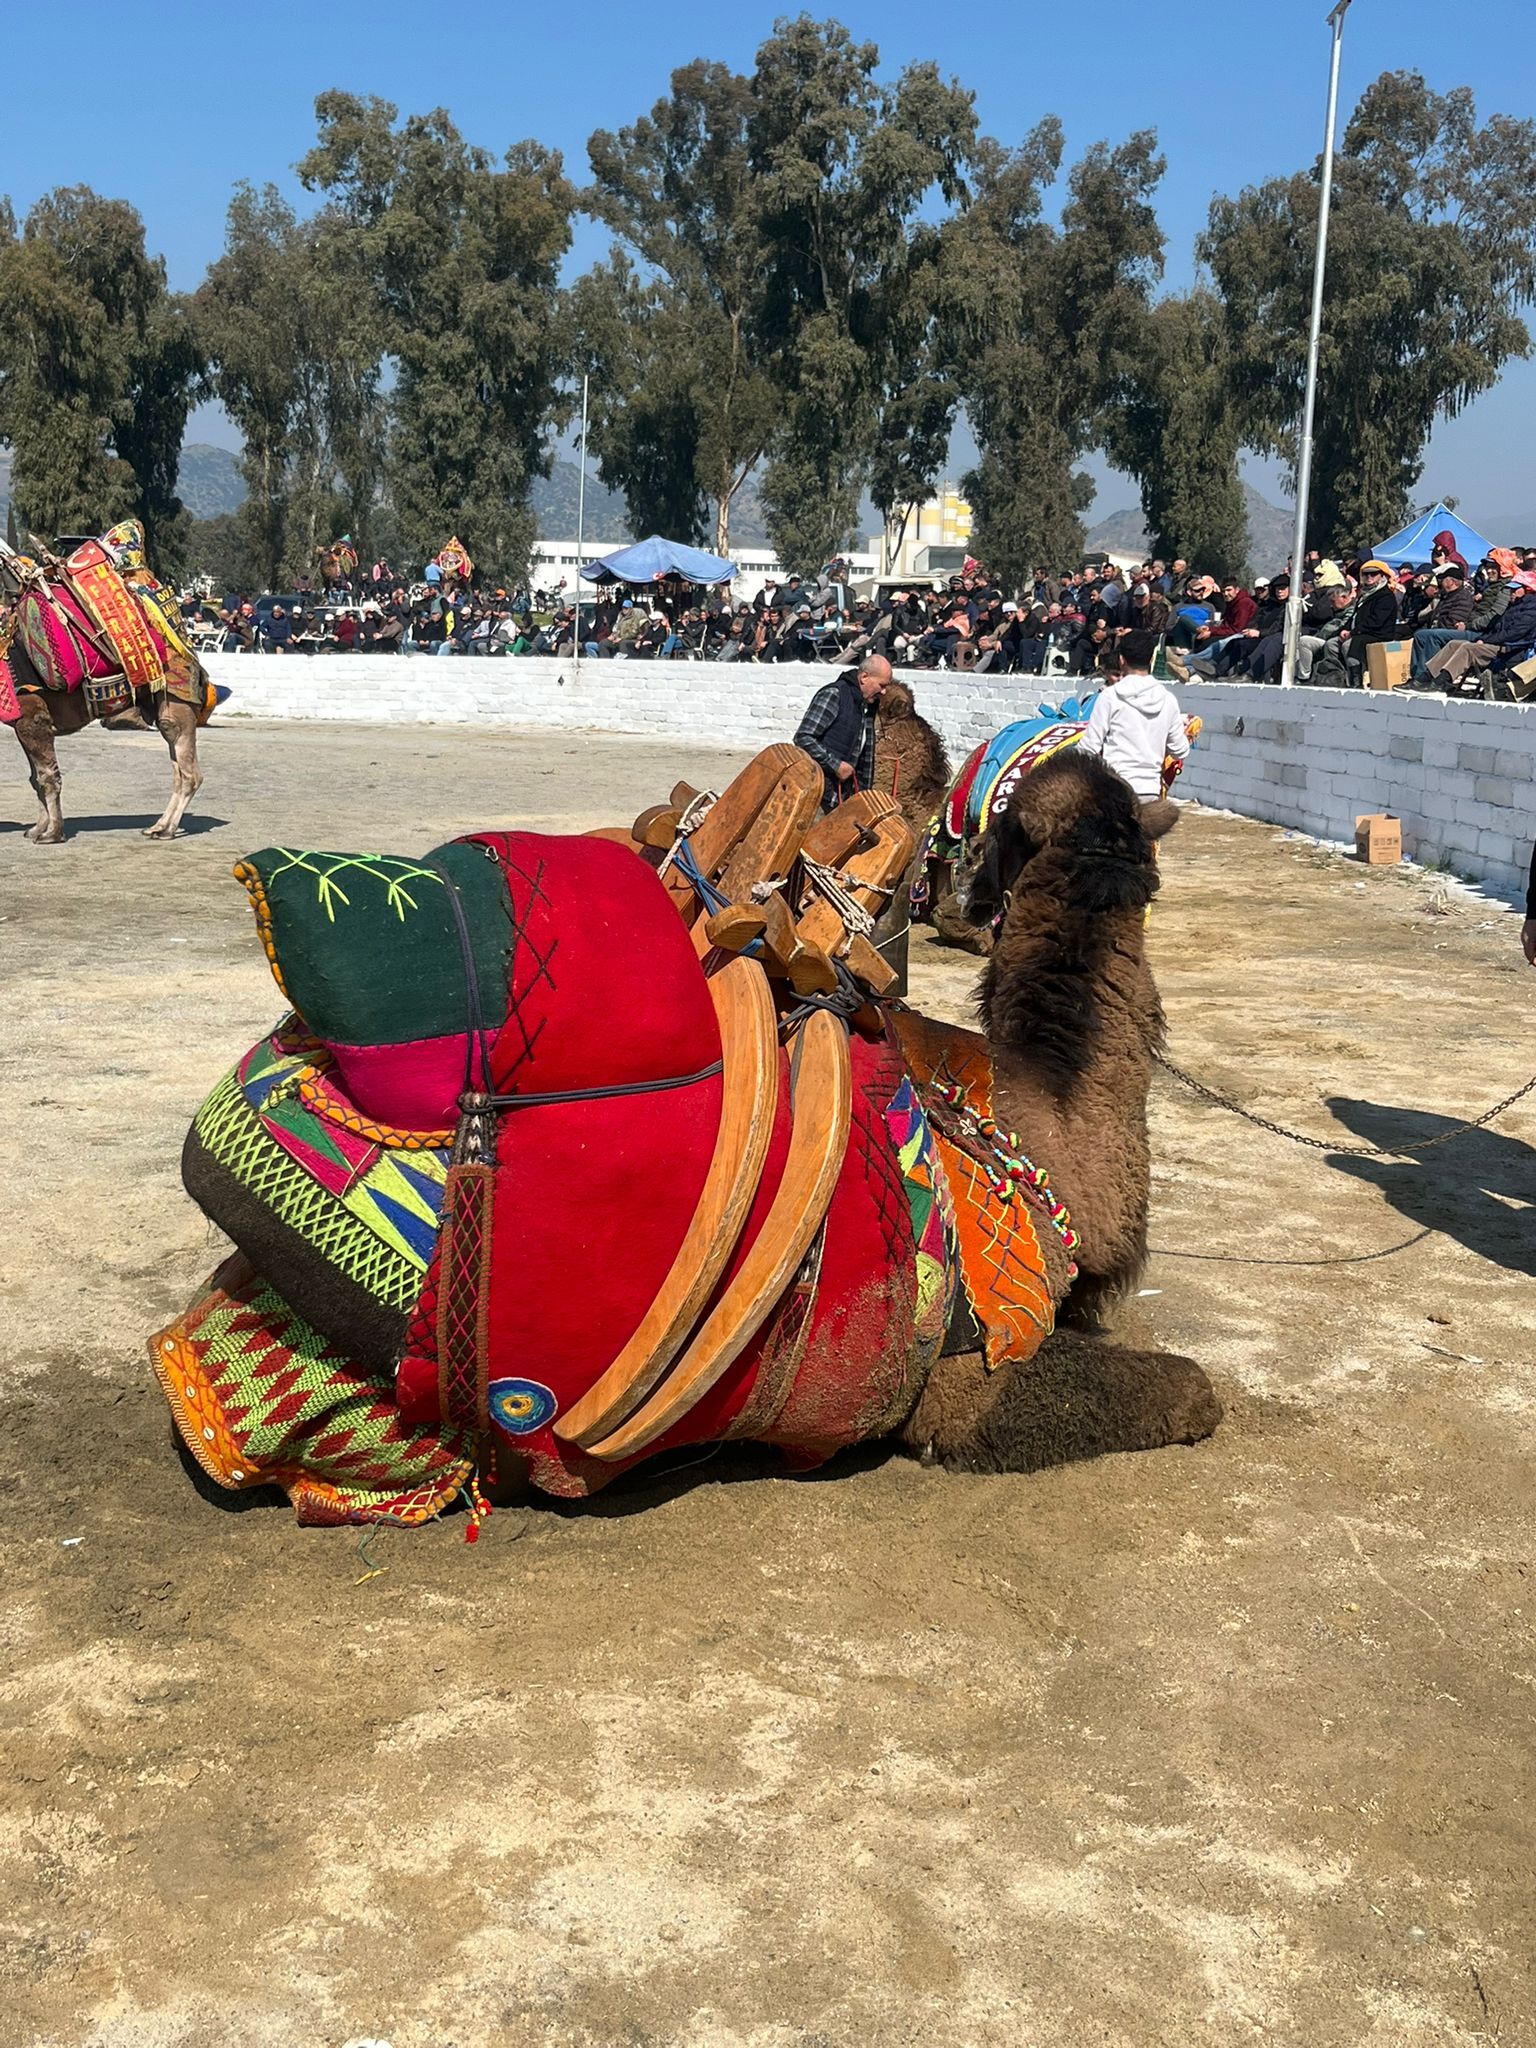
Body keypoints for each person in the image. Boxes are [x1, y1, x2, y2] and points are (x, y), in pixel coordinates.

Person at [1077, 630, 1188, 803]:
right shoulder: (1168, 700)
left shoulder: (1109, 696)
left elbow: (1088, 748)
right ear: (1151, 659)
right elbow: (1180, 750)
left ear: (1121, 660)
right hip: (1150, 792)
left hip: (1115, 790)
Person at [793, 653, 889, 809]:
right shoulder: (835, 695)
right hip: (816, 796)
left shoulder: (866, 707)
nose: (884, 692)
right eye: (882, 685)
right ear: (864, 677)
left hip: (842, 801)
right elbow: (803, 737)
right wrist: (836, 765)